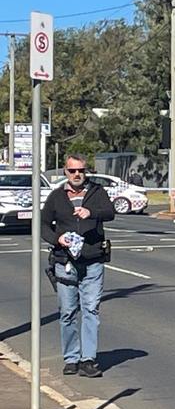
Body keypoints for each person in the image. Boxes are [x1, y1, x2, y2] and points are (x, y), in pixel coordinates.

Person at [41, 154, 115, 378]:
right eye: (72, 171)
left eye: (81, 170)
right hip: (65, 262)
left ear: (86, 172)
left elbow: (110, 212)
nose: (77, 175)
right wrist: (57, 239)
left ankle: (88, 359)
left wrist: (91, 212)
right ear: (66, 172)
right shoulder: (56, 197)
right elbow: (43, 224)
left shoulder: (97, 192)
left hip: (92, 261)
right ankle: (71, 358)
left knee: (91, 309)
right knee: (68, 312)